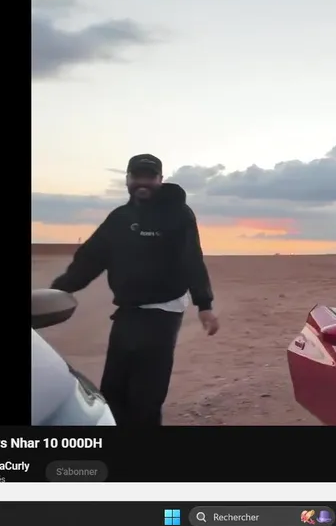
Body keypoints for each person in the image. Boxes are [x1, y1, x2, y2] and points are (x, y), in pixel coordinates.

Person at [50, 154, 219, 426]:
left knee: (146, 394)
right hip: (128, 312)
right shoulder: (119, 218)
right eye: (137, 176)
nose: (143, 183)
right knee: (113, 390)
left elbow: (192, 258)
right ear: (127, 179)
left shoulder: (177, 213)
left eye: (149, 177)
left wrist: (205, 304)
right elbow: (89, 260)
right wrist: (57, 292)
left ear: (160, 180)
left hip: (163, 312)